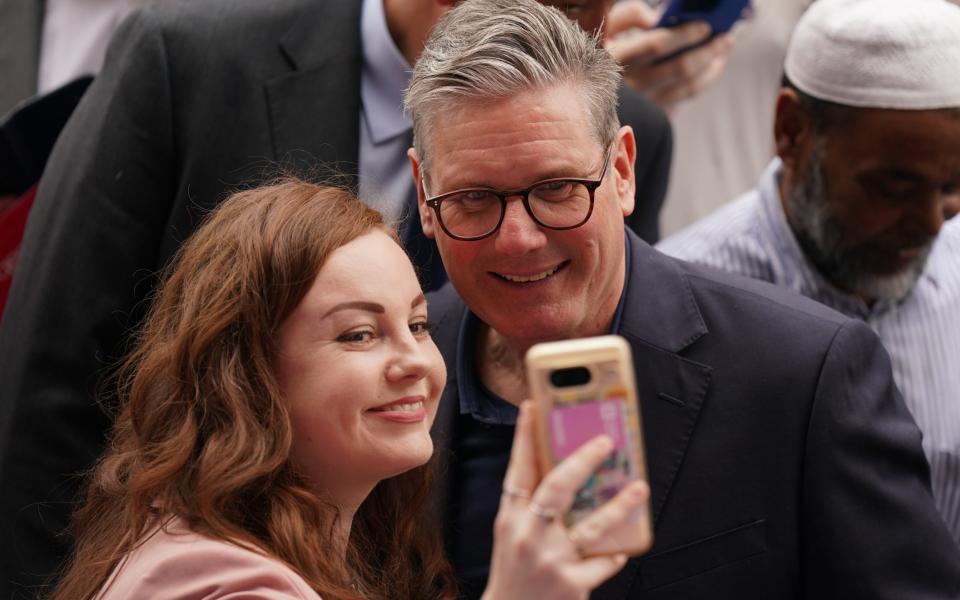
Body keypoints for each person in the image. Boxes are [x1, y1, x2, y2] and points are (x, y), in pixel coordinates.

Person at [0, 0, 675, 594]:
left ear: (619, 170)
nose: (521, 238)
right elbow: (48, 371)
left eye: (420, 324)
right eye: (358, 333)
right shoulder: (189, 58)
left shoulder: (612, 130)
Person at [404, 0, 960, 597]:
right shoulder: (398, 370)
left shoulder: (802, 374)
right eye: (474, 199)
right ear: (422, 193)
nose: (519, 239)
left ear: (622, 170)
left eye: (558, 188)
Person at [45, 179, 650, 600]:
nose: (414, 361)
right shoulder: (223, 584)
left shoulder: (339, 547)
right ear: (247, 373)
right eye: (360, 335)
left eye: (417, 324)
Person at [657, 0, 960, 543]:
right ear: (792, 130)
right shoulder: (678, 301)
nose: (931, 223)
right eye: (894, 188)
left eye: (953, 189)